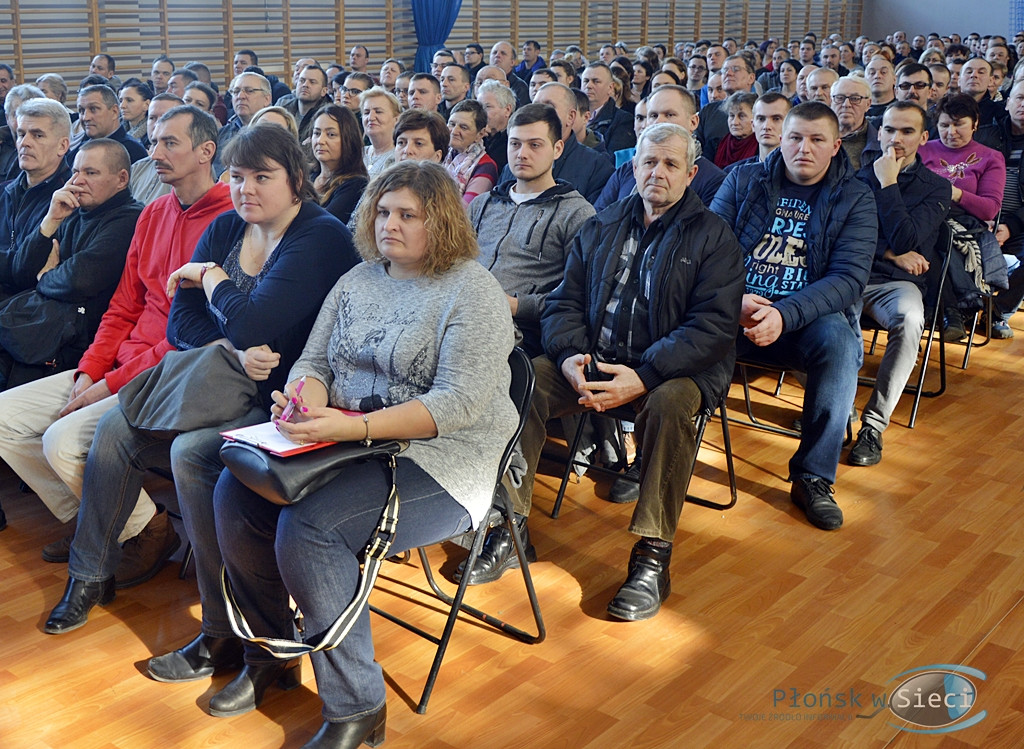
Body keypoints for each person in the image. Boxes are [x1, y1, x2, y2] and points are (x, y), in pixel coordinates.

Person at [213, 160, 517, 745]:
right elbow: (315, 361)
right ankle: (272, 656)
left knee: (310, 528)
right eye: (382, 211)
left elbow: (455, 406)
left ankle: (358, 710)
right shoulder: (358, 280)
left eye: (408, 214)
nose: (390, 225)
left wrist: (352, 428)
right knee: (235, 490)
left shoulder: (470, 289)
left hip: (443, 462)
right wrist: (303, 400)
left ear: (443, 222)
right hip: (351, 442)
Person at [43, 124, 356, 638]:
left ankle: (227, 621)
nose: (246, 189)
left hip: (279, 398)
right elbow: (180, 323)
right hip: (218, 380)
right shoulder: (232, 226)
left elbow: (254, 322)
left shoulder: (319, 235)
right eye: (237, 177)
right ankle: (89, 576)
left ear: (296, 178)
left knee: (192, 452)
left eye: (262, 176)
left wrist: (211, 277)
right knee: (116, 430)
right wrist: (227, 342)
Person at [469, 123, 743, 621]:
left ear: (691, 173)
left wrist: (644, 376)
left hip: (670, 371)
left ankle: (652, 555)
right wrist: (570, 355)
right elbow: (563, 301)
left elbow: (713, 329)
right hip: (594, 358)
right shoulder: (603, 223)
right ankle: (509, 530)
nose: (657, 172)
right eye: (648, 162)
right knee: (525, 381)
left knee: (671, 403)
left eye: (670, 164)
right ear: (632, 167)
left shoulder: (713, 237)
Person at [0, 105, 233, 575]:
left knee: (63, 441)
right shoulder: (153, 214)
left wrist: (104, 385)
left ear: (206, 151)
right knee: (5, 418)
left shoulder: (230, 218)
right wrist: (90, 368)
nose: (157, 153)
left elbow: (189, 336)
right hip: (121, 362)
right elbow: (124, 306)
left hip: (175, 371)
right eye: (155, 141)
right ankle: (102, 520)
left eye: (170, 143)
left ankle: (148, 531)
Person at [710, 102, 877, 531]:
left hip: (803, 319)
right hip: (736, 308)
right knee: (676, 316)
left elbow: (848, 279)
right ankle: (655, 452)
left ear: (836, 145)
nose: (804, 148)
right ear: (781, 140)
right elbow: (706, 250)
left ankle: (813, 477)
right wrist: (735, 300)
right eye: (796, 138)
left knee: (839, 342)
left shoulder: (854, 196)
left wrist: (785, 314)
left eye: (817, 139)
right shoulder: (744, 179)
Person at [848, 102, 951, 466]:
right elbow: (842, 239)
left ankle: (873, 426)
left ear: (924, 138)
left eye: (907, 132)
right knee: (812, 313)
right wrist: (891, 253)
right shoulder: (854, 178)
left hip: (895, 285)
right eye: (890, 130)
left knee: (909, 321)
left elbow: (908, 238)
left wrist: (888, 182)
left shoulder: (936, 188)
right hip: (851, 274)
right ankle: (837, 408)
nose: (897, 139)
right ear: (879, 132)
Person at [0, 139, 143, 390]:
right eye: (76, 171)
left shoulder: (129, 218)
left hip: (74, 341)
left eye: (91, 173)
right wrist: (51, 219)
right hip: (41, 326)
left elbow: (79, 279)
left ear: (121, 179)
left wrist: (45, 277)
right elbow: (22, 271)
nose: (78, 181)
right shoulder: (72, 210)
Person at [470, 103, 595, 355]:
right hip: (463, 313)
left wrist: (517, 305)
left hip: (521, 332)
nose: (522, 153)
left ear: (557, 149)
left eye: (534, 145)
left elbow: (579, 295)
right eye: (515, 144)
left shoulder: (577, 214)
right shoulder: (483, 204)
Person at [919, 92, 1006, 340]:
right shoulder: (923, 150)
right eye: (944, 125)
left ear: (975, 124)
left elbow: (989, 209)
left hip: (963, 228)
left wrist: (954, 193)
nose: (951, 132)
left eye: (959, 124)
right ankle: (953, 310)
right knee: (929, 231)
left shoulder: (990, 157)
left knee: (933, 233)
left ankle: (945, 311)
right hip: (925, 218)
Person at [596, 85, 726, 209]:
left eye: (669, 115)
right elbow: (598, 222)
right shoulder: (628, 169)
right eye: (653, 115)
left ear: (693, 122)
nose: (658, 122)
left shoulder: (714, 180)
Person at [1, 98, 72, 299]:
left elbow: (25, 273)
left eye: (37, 135)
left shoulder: (68, 201)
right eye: (21, 134)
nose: (25, 143)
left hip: (28, 307)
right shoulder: (4, 191)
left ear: (62, 146)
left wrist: (15, 264)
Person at [311, 104, 368, 224]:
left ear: (348, 139)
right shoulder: (307, 175)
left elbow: (325, 225)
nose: (320, 141)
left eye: (331, 135)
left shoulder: (355, 184)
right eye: (316, 133)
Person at [68, 84, 147, 165]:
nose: (85, 117)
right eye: (81, 110)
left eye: (93, 109)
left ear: (114, 112)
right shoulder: (79, 149)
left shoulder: (133, 152)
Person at [128, 93, 183, 205]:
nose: (157, 124)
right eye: (152, 118)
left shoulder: (189, 167)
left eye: (164, 118)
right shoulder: (137, 168)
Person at [443, 99, 498, 205]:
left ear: (480, 134)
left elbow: (466, 211)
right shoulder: (441, 153)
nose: (454, 131)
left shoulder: (486, 166)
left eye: (464, 127)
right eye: (451, 124)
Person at [581, 63, 636, 154]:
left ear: (610, 88)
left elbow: (613, 160)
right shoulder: (572, 116)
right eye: (586, 81)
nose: (589, 86)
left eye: (596, 81)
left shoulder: (623, 120)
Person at [831, 74, 879, 170]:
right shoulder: (817, 137)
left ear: (868, 104)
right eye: (840, 98)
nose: (846, 104)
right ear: (831, 102)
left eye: (855, 99)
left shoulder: (878, 144)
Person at [360, 87, 399, 177]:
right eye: (366, 112)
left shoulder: (399, 157)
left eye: (378, 112)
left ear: (396, 119)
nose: (371, 117)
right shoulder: (357, 154)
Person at [477, 79, 516, 172]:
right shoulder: (476, 135)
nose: (480, 112)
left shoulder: (515, 139)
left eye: (487, 107)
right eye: (479, 107)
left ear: (507, 110)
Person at [714, 91, 758, 168]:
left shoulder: (761, 147)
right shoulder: (715, 144)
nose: (735, 122)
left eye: (741, 116)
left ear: (755, 118)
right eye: (731, 116)